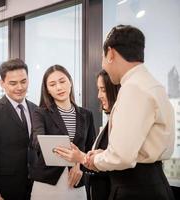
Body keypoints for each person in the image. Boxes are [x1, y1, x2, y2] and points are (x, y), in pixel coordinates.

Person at [60, 25, 175, 200]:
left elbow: (121, 157)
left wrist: (87, 159)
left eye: (102, 57)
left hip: (135, 188)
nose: (103, 63)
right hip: (152, 182)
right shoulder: (152, 84)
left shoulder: (133, 88)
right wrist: (103, 153)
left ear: (111, 53)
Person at [29, 65, 96, 200]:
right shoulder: (41, 113)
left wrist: (80, 165)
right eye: (52, 84)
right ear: (47, 90)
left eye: (62, 81)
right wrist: (74, 159)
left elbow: (90, 150)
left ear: (70, 82)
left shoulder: (86, 115)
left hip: (76, 182)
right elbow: (37, 141)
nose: (59, 87)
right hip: (47, 184)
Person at [55, 69, 120, 200]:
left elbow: (118, 159)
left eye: (103, 89)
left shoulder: (119, 122)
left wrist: (81, 158)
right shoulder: (110, 122)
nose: (99, 95)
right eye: (98, 89)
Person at [0, 58, 37, 200]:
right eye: (13, 83)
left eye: (23, 82)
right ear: (2, 83)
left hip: (36, 188)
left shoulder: (37, 110)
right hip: (4, 190)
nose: (20, 87)